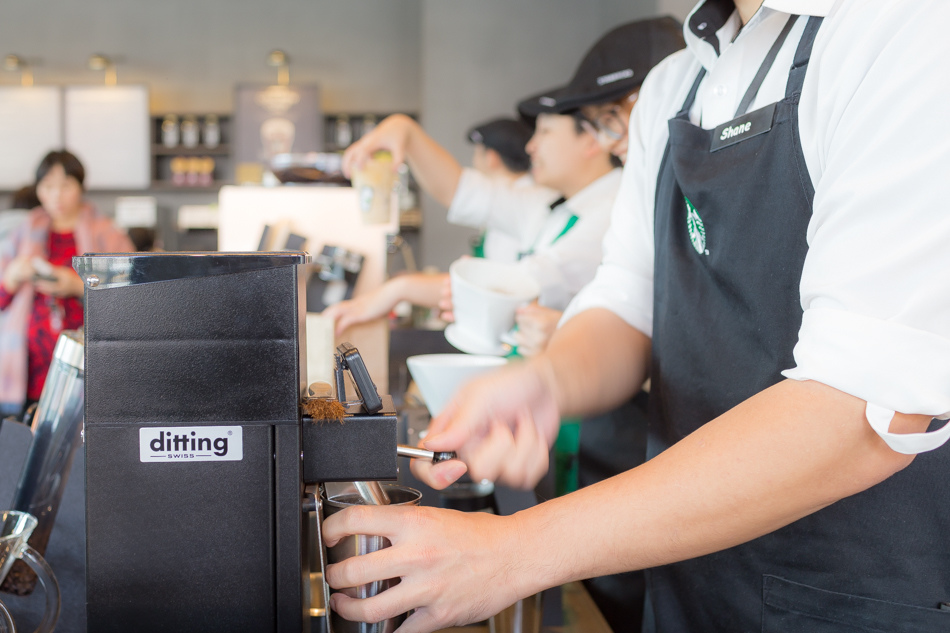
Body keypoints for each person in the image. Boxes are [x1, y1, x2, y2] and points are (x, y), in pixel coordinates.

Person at [322, 2, 950, 633]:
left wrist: (515, 550)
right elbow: (626, 300)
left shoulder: (905, 32)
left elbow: (863, 409)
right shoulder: (677, 85)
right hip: (683, 574)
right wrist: (545, 383)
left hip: (855, 596)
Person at [0, 150, 133, 418]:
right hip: (29, 372)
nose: (56, 196)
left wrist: (77, 285)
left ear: (80, 187)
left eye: (65, 186)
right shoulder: (24, 231)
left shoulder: (106, 232)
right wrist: (11, 278)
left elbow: (133, 297)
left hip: (90, 370)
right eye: (47, 187)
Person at [460, 117, 547, 263]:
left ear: (491, 157)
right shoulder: (527, 194)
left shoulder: (517, 205)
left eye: (477, 153)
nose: (474, 162)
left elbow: (501, 272)